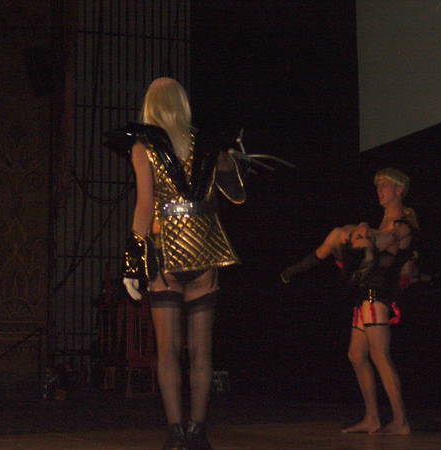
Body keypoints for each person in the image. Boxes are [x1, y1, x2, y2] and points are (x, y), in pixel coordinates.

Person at [116, 77, 245, 450]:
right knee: (202, 351)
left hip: (166, 252)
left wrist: (132, 264)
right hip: (204, 250)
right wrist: (228, 159)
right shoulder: (205, 143)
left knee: (168, 351)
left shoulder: (144, 146)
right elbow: (236, 193)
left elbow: (145, 206)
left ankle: (176, 434)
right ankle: (198, 431)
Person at [281, 168, 418, 435]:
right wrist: (358, 231)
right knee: (356, 355)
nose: (379, 190)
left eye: (384, 185)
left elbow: (378, 247)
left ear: (399, 190)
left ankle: (401, 421)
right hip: (365, 296)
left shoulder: (402, 223)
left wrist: (360, 231)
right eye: (377, 186)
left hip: (377, 295)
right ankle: (372, 417)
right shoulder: (384, 223)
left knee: (380, 356)